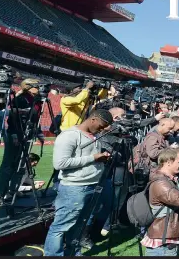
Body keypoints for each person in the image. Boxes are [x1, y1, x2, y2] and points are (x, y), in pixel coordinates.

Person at [43, 109, 113, 256]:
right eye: (101, 125)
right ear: (93, 119)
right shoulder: (69, 136)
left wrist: (101, 158)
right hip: (74, 188)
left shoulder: (94, 135)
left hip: (92, 186)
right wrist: (94, 158)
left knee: (79, 226)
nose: (102, 129)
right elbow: (60, 164)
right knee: (61, 226)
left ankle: (74, 253)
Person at [0, 78, 43, 202]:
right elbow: (13, 117)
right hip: (16, 134)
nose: (39, 89)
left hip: (27, 135)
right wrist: (15, 135)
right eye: (36, 86)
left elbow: (35, 119)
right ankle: (1, 192)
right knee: (9, 164)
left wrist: (38, 133)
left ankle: (13, 190)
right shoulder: (20, 99)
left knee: (20, 165)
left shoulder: (35, 100)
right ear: (28, 86)